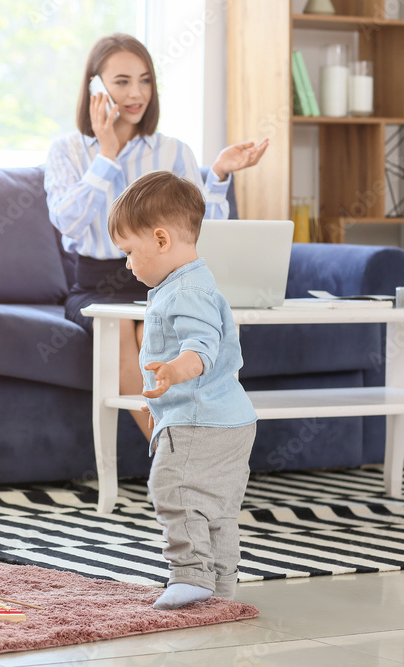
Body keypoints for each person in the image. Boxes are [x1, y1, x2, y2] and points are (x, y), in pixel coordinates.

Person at [44, 32, 267, 443]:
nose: (136, 93)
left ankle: (192, 453)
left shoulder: (173, 151)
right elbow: (68, 223)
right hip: (96, 286)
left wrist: (216, 176)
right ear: (95, 88)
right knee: (128, 336)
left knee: (156, 332)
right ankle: (170, 455)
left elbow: (199, 230)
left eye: (145, 80)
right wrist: (107, 157)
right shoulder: (68, 152)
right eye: (122, 81)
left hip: (167, 281)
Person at [107, 171, 257, 610]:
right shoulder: (188, 283)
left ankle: (190, 574)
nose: (128, 264)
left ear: (160, 239)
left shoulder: (186, 292)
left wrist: (173, 371)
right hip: (230, 419)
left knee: (171, 488)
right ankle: (222, 586)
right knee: (217, 508)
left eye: (130, 252)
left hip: (198, 419)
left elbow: (200, 348)